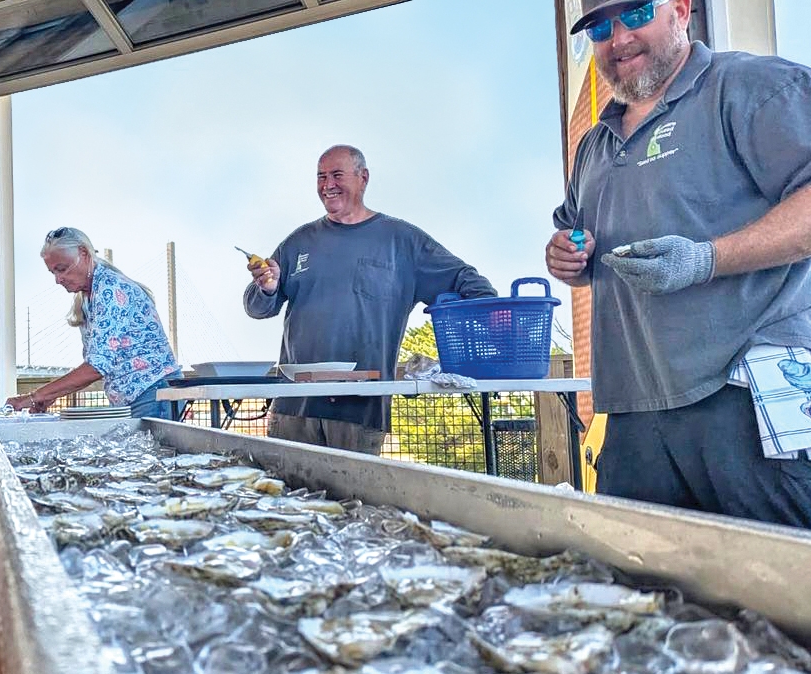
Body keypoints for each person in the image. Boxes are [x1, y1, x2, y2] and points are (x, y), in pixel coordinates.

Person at [547, 0, 811, 526]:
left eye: (637, 14)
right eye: (600, 26)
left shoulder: (752, 87)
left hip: (747, 394)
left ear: (682, 11)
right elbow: (571, 233)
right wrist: (566, 256)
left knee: (781, 586)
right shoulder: (595, 145)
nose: (618, 39)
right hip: (631, 414)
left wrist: (704, 259)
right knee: (639, 588)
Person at [244, 145, 496, 455]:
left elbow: (466, 280)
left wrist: (490, 319)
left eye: (337, 175)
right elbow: (256, 307)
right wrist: (267, 288)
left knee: (354, 503)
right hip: (293, 410)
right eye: (321, 177)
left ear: (363, 178)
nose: (327, 185)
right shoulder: (299, 242)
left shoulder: (403, 241)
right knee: (284, 501)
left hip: (361, 414)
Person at [6, 227, 180, 417]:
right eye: (53, 272)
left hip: (154, 393)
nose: (58, 279)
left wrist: (34, 397)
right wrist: (50, 395)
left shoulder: (110, 290)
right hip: (139, 397)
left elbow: (97, 366)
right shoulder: (89, 296)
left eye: (62, 269)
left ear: (84, 254)